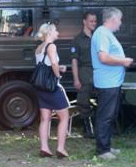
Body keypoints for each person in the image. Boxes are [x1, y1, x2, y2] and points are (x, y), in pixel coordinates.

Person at [91, 7, 133, 160]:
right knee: (105, 116)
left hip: (112, 82)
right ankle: (102, 151)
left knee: (110, 115)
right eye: (120, 20)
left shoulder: (106, 33)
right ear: (113, 19)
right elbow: (103, 57)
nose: (120, 24)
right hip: (107, 82)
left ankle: (106, 146)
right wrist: (123, 61)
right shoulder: (102, 33)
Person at [33, 22, 71, 159]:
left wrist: (58, 67)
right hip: (52, 87)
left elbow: (44, 65)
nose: (58, 33)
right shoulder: (52, 46)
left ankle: (44, 147)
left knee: (45, 118)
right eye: (55, 30)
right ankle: (60, 148)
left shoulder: (39, 47)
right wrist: (58, 74)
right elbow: (53, 64)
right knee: (64, 116)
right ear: (49, 33)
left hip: (40, 87)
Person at [69, 10, 98, 138]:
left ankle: (100, 127)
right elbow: (74, 61)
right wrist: (76, 79)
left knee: (103, 100)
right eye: (91, 21)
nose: (94, 23)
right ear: (84, 22)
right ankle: (87, 128)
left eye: (95, 21)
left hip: (98, 72)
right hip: (84, 72)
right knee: (83, 101)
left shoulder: (98, 37)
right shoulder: (77, 40)